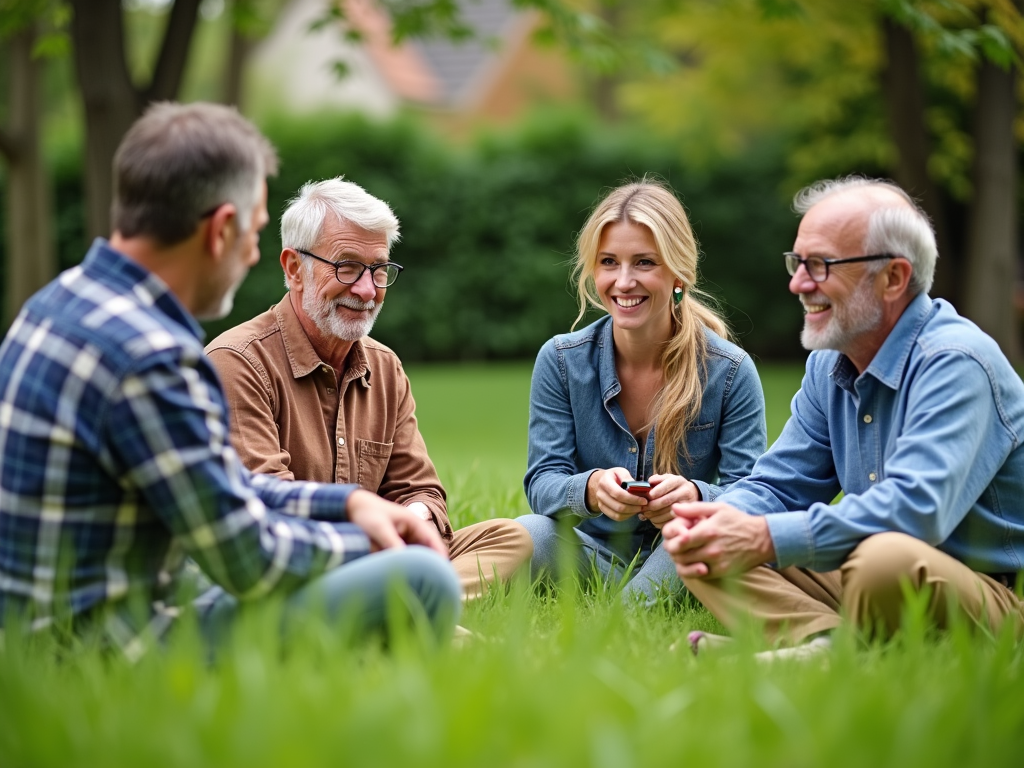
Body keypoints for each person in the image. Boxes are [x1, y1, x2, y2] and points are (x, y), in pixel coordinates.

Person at [0, 103, 460, 658]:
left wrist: (347, 505)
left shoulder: (57, 303)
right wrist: (375, 543)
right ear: (221, 230)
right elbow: (247, 557)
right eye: (255, 233)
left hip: (50, 625)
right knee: (422, 581)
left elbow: (215, 485)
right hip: (104, 650)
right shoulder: (150, 356)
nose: (251, 255)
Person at [663, 176, 1024, 657]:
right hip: (874, 568)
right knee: (704, 549)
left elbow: (916, 512)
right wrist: (718, 520)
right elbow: (780, 486)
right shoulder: (830, 362)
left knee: (884, 559)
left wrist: (764, 536)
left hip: (989, 591)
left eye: (820, 265)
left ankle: (827, 650)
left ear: (893, 277)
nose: (797, 283)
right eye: (797, 263)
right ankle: (821, 645)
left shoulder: (956, 361)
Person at [206, 177, 532, 600]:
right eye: (346, 266)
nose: (366, 289)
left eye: (379, 269)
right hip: (294, 563)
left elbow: (420, 489)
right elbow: (267, 509)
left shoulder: (384, 366)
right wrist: (378, 539)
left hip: (384, 555)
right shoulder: (238, 362)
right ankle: (411, 604)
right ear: (293, 268)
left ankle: (399, 602)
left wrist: (415, 520)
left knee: (512, 539)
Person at [517, 179, 767, 605]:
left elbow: (755, 495)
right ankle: (632, 606)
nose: (624, 281)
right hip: (589, 555)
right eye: (609, 262)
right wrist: (591, 489)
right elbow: (543, 483)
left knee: (692, 541)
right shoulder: (560, 361)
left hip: (681, 554)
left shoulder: (730, 372)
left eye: (645, 262)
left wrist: (696, 496)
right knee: (529, 532)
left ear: (678, 274)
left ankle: (625, 617)